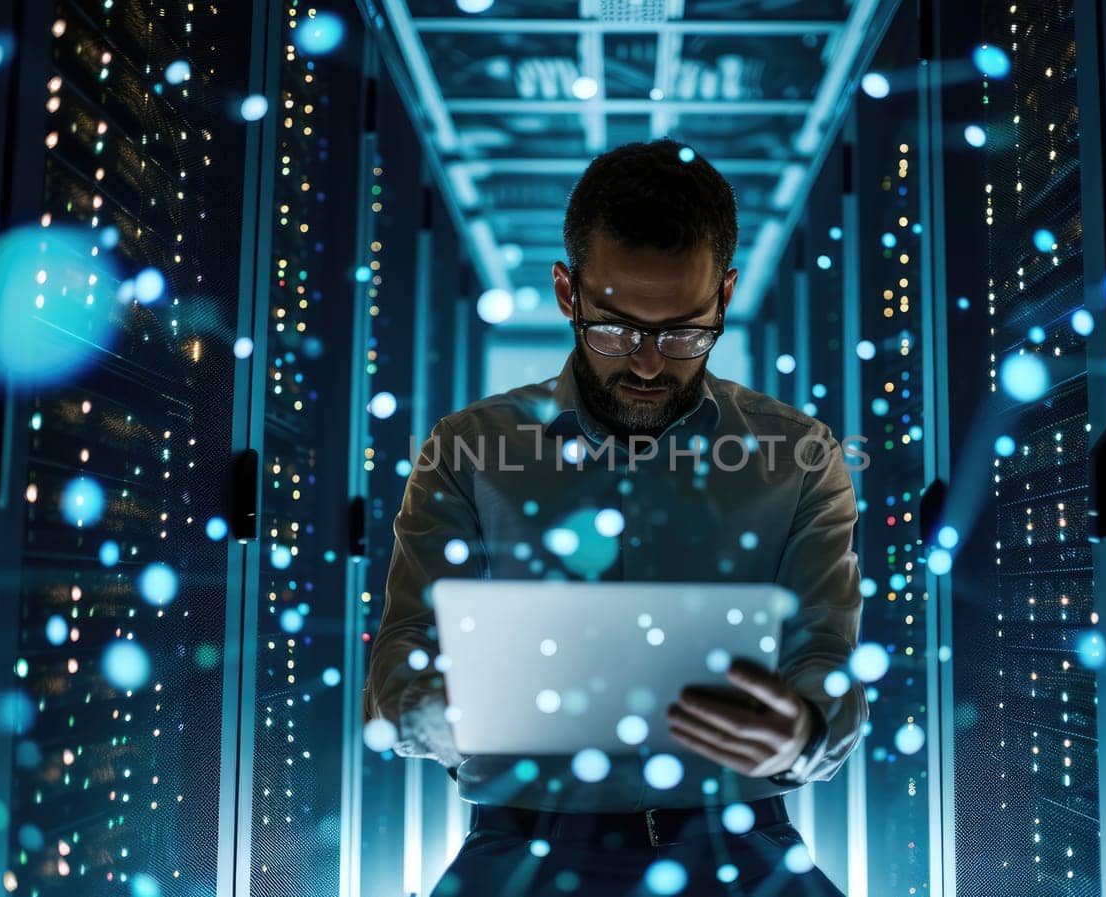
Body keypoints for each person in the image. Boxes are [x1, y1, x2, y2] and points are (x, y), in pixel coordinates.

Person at [365, 139, 866, 896]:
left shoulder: (799, 456)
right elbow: (396, 667)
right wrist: (462, 714)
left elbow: (826, 660)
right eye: (615, 329)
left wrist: (802, 733)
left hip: (742, 842)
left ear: (725, 296)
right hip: (523, 840)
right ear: (568, 294)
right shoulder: (468, 449)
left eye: (684, 334)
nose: (646, 363)